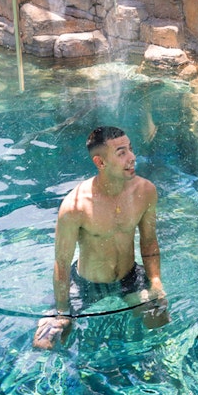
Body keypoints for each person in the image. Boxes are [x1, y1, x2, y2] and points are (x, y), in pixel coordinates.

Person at [33, 126, 169, 349]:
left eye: (131, 149)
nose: (132, 158)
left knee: (159, 320)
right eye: (121, 152)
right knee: (45, 342)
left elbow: (149, 242)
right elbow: (62, 263)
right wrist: (62, 311)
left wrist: (155, 282)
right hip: (85, 283)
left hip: (129, 277)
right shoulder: (75, 206)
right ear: (100, 162)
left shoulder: (145, 191)